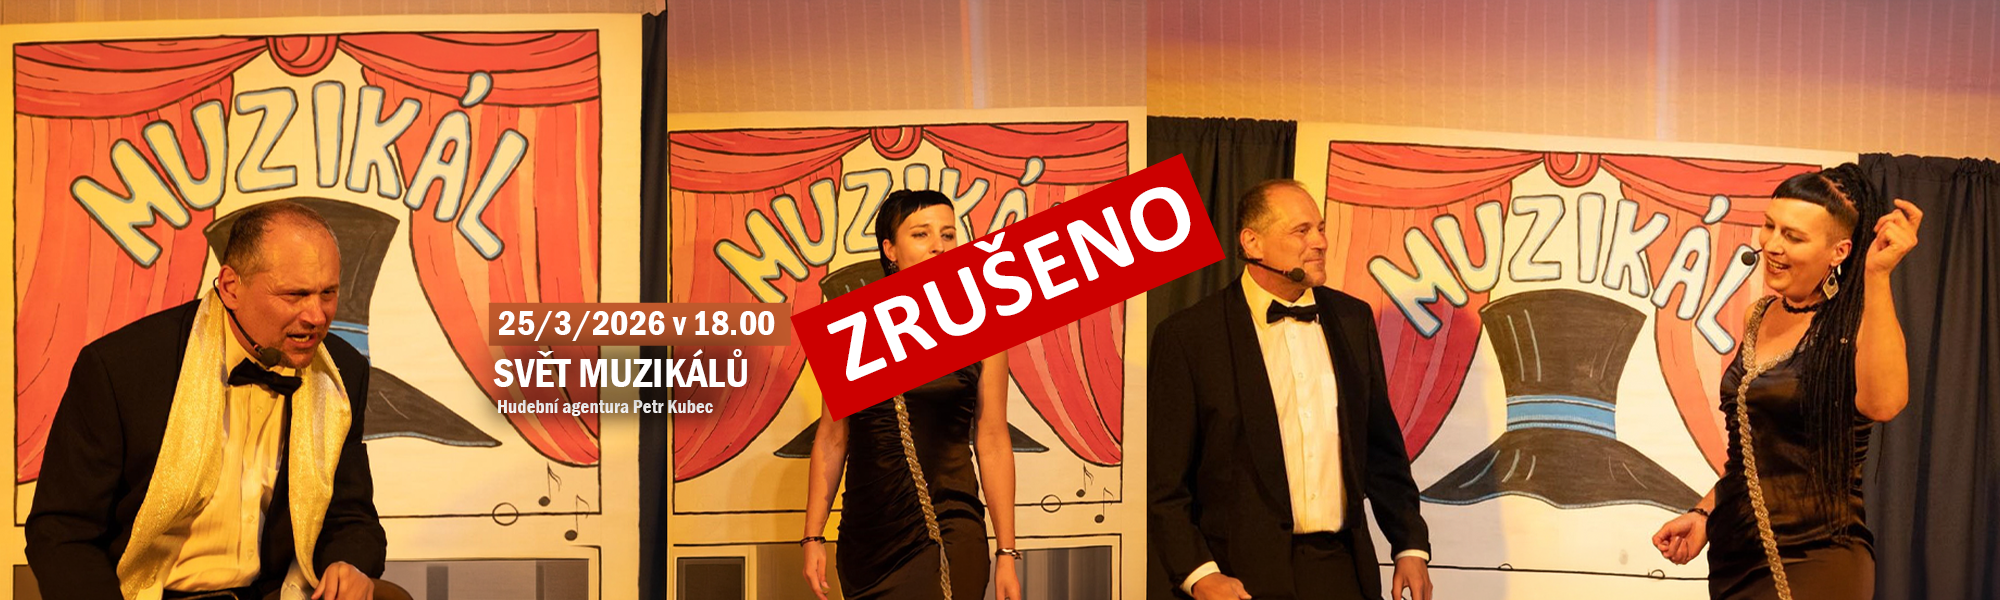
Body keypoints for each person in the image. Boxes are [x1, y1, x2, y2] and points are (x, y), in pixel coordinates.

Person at [26, 201, 402, 600]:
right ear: (231, 287)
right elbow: (62, 531)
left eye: (328, 293)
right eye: (295, 294)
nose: (317, 315)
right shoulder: (120, 370)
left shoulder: (341, 373)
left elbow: (351, 517)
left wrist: (349, 563)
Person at [1151, 180, 1433, 600]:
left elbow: (1381, 450)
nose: (1320, 242)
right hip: (1236, 577)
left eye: (1320, 228)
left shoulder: (1353, 320)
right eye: (1301, 231)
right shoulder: (1189, 336)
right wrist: (1200, 575)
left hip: (1342, 570)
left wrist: (1409, 544)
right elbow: (1165, 484)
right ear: (1253, 242)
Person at [1651, 165, 1923, 600]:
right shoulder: (1758, 316)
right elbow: (1755, 455)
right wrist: (1704, 513)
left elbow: (1885, 404)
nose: (1772, 245)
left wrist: (1877, 275)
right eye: (1770, 226)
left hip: (1816, 557)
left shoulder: (1858, 324)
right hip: (1736, 557)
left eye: (1793, 236)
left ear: (1839, 251)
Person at [800, 190, 1021, 600]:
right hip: (868, 539)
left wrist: (1006, 551)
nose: (939, 245)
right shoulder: (853, 331)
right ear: (890, 250)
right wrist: (813, 536)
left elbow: (992, 440)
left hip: (949, 527)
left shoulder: (984, 330)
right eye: (922, 234)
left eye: (948, 234)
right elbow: (832, 439)